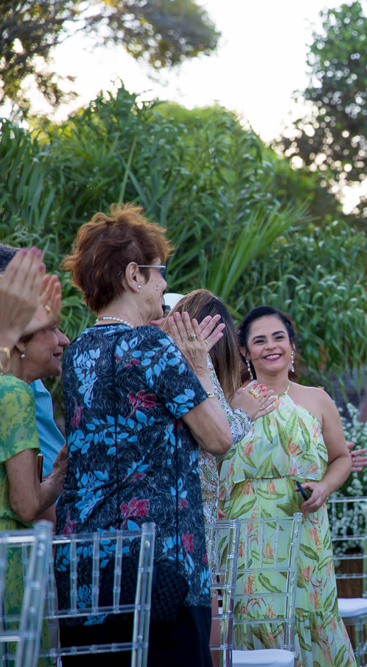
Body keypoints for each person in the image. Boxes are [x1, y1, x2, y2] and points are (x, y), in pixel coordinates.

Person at [58, 204, 235, 667]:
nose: (163, 286)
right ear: (134, 275)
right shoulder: (151, 344)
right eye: (160, 274)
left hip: (85, 566)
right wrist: (199, 365)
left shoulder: (76, 353)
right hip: (159, 572)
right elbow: (219, 439)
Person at [219, 306, 356, 667]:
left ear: (292, 344)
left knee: (312, 611)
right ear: (245, 352)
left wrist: (324, 487)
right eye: (259, 341)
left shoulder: (317, 399)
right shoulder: (233, 400)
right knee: (256, 614)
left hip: (305, 524)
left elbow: (341, 458)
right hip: (250, 531)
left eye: (278, 337)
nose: (271, 346)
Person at [163, 290, 277, 533]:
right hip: (185, 509)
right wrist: (244, 412)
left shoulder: (161, 359)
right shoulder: (198, 364)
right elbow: (220, 436)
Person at [0, 244, 65, 476]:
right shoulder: (14, 392)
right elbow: (26, 495)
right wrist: (56, 480)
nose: (64, 340)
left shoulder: (29, 384)